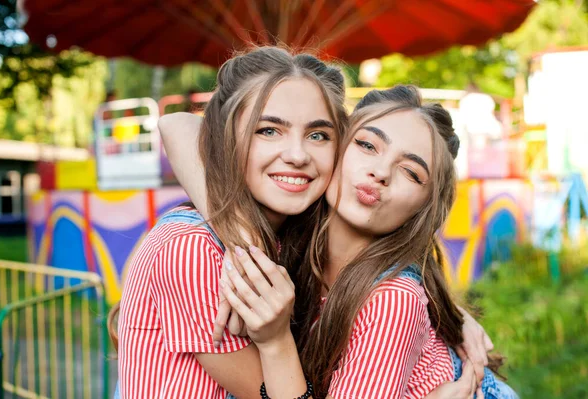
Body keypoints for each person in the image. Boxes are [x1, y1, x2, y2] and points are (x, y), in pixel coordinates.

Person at [216, 86, 519, 398]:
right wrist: (242, 233)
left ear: (424, 208)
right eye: (367, 145)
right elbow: (184, 127)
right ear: (332, 147)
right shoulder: (290, 239)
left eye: (412, 173)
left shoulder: (394, 299)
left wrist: (275, 342)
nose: (380, 171)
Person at [117, 46, 348, 399]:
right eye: (269, 130)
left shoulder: (294, 236)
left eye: (318, 135)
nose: (298, 155)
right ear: (226, 136)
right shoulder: (192, 246)